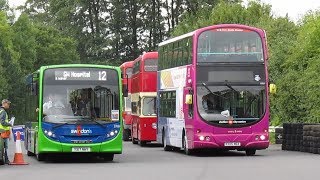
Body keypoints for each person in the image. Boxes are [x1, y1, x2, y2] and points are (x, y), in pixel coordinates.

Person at [0, 99, 13, 164]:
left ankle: (5, 159)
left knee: (3, 146)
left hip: (2, 131)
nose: (9, 105)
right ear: (4, 104)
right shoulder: (3, 112)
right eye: (8, 104)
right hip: (3, 131)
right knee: (4, 146)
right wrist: (9, 124)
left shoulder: (1, 111)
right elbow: (2, 122)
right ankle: (5, 160)